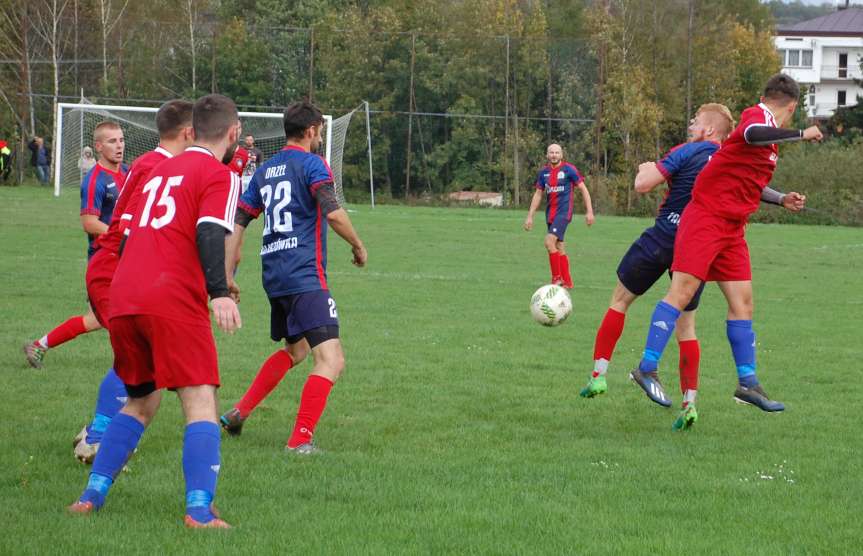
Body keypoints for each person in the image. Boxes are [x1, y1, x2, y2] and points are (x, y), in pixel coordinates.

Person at [67, 94, 242, 529]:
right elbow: (208, 231)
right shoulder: (219, 173)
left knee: (141, 400)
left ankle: (91, 496)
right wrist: (218, 290)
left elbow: (126, 235)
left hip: (125, 293)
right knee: (201, 400)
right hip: (172, 298)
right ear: (233, 133)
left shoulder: (156, 168)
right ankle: (199, 511)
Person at [578, 103, 807, 430]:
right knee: (687, 325)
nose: (690, 125)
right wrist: (782, 197)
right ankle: (689, 404)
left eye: (696, 121)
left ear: (709, 131)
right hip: (707, 243)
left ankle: (600, 375)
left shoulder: (690, 150)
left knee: (620, 300)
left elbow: (644, 184)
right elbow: (752, 188)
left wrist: (645, 168)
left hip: (671, 236)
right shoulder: (737, 156)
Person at [628, 73, 823, 415]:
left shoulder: (767, 137)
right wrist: (800, 134)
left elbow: (743, 178)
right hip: (705, 219)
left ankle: (747, 382)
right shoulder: (757, 116)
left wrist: (781, 199)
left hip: (732, 228)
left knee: (743, 303)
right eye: (794, 116)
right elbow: (750, 133)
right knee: (682, 293)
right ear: (791, 107)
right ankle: (646, 367)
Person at [219, 101, 367, 455]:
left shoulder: (265, 169)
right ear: (313, 129)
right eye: (319, 132)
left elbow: (238, 222)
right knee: (331, 360)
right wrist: (358, 244)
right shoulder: (313, 164)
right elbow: (332, 213)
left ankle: (239, 412)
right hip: (304, 273)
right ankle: (300, 440)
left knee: (296, 349)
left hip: (274, 273)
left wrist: (227, 274)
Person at [71, 100, 195, 464]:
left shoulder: (146, 164)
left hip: (114, 267)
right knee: (135, 357)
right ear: (189, 132)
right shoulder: (162, 168)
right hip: (115, 269)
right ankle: (96, 438)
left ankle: (97, 428)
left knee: (134, 356)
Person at [23, 123, 127, 369]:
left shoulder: (127, 172)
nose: (119, 145)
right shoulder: (94, 181)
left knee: (96, 319)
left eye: (121, 140)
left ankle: (39, 345)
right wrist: (122, 235)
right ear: (99, 147)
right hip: (104, 261)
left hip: (124, 256)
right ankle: (133, 374)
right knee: (120, 321)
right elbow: (89, 222)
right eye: (112, 141)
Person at [523, 144, 594, 288]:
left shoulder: (569, 170)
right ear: (547, 155)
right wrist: (530, 216)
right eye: (551, 152)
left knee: (549, 242)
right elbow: (538, 194)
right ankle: (567, 282)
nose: (554, 155)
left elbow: (583, 189)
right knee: (559, 246)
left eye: (557, 152)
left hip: (563, 213)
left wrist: (590, 211)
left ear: (561, 155)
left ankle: (556, 279)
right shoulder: (543, 173)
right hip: (550, 214)